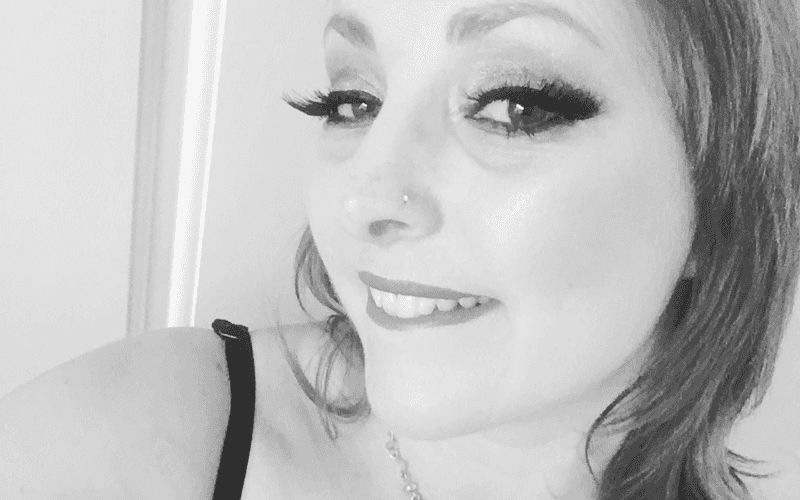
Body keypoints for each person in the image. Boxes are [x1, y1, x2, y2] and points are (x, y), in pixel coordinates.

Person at [2, 0, 799, 499]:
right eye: (354, 101)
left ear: (721, 204)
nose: (366, 198)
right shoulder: (149, 433)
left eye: (514, 107)